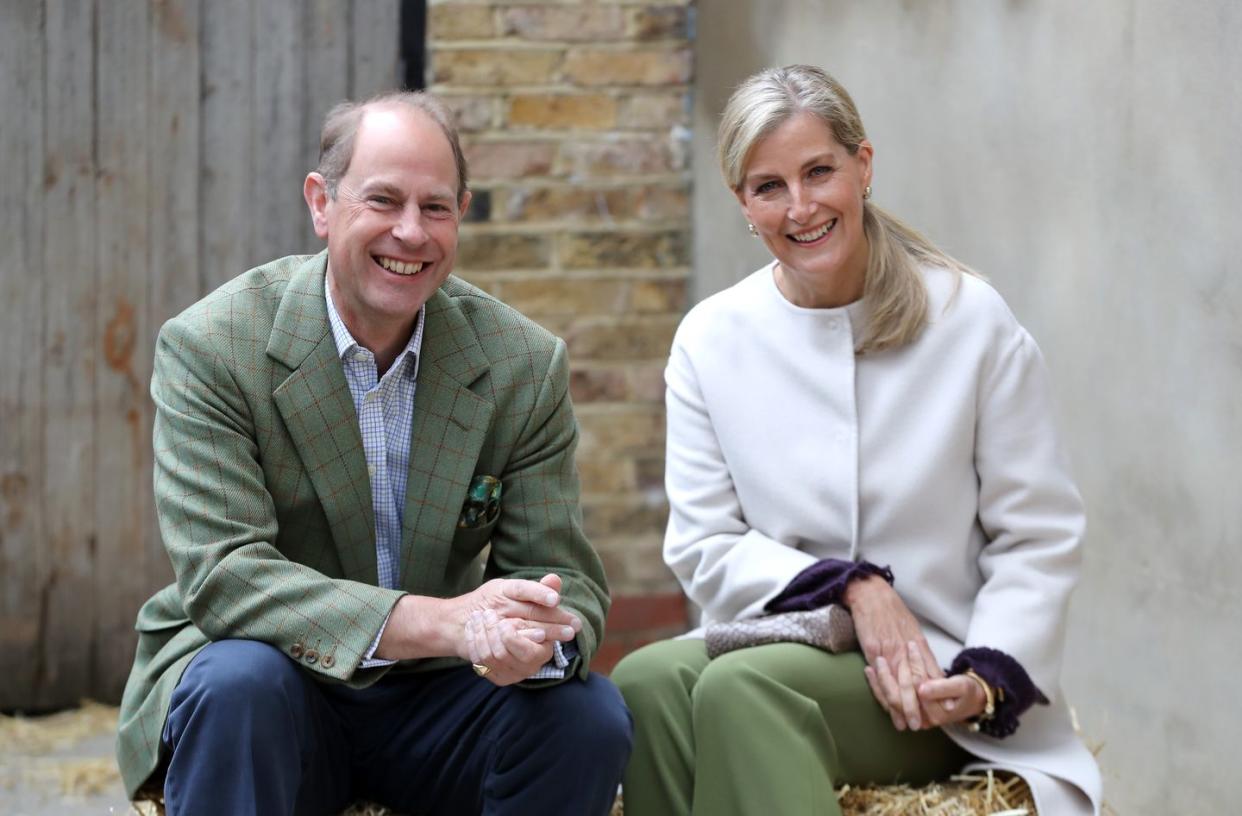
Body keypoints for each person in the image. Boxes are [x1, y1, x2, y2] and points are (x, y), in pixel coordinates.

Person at [114, 91, 632, 816]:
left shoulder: (522, 363)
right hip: (275, 683)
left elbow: (564, 575)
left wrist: (533, 638)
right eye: (383, 200)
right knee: (237, 686)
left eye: (437, 208)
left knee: (587, 717)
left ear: (462, 214)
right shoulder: (213, 347)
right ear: (322, 204)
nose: (411, 232)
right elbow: (225, 576)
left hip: (436, 697)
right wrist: (443, 621)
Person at [611, 65, 1101, 816]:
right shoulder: (711, 339)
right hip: (787, 637)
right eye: (769, 186)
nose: (800, 207)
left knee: (747, 690)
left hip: (938, 674)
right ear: (743, 203)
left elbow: (1036, 533)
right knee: (642, 683)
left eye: (819, 172)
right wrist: (852, 587)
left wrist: (985, 677)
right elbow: (704, 543)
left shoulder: (971, 321)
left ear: (862, 166)